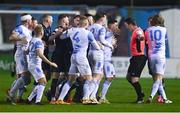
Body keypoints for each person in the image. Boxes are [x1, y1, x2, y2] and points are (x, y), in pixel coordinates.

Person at [55, 16, 101, 105]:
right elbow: (96, 47)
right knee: (89, 79)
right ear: (86, 24)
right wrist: (100, 45)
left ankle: (60, 99)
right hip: (81, 57)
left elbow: (62, 37)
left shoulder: (72, 30)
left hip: (73, 56)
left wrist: (66, 30)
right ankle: (86, 98)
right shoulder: (88, 33)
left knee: (71, 80)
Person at [145, 14, 172, 104]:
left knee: (157, 79)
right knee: (158, 78)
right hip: (160, 56)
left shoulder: (148, 30)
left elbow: (147, 42)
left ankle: (164, 98)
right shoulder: (164, 29)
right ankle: (151, 96)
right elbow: (165, 40)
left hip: (151, 56)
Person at [27, 24, 57, 104]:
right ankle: (37, 101)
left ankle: (29, 99)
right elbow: (40, 54)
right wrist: (50, 63)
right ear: (41, 32)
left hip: (32, 64)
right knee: (43, 82)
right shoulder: (38, 41)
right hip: (35, 65)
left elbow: (28, 51)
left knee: (41, 82)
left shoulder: (32, 40)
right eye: (43, 30)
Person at [7, 13, 33, 105]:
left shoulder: (27, 30)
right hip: (21, 55)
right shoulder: (20, 28)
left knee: (26, 79)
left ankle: (14, 95)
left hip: (25, 55)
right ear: (27, 21)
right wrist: (21, 38)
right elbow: (11, 37)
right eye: (30, 20)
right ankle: (10, 94)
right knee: (25, 78)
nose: (31, 21)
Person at [88, 13, 113, 103]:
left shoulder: (90, 27)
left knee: (99, 75)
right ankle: (88, 96)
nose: (106, 20)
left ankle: (93, 96)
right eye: (105, 18)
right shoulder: (101, 28)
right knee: (97, 75)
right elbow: (102, 40)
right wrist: (110, 45)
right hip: (98, 53)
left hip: (89, 52)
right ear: (102, 19)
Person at [48, 14, 71, 104]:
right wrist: (58, 34)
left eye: (67, 21)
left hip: (66, 57)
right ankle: (52, 98)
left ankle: (64, 97)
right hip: (57, 56)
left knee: (69, 78)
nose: (66, 22)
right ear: (60, 22)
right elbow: (50, 39)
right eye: (64, 21)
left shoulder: (70, 30)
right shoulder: (57, 29)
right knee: (55, 77)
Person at [124, 17, 147, 104]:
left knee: (134, 79)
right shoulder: (135, 31)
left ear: (131, 24)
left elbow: (140, 36)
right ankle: (141, 93)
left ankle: (140, 98)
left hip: (139, 58)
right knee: (128, 77)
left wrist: (140, 38)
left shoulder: (138, 31)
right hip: (135, 58)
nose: (127, 28)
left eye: (127, 26)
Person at [99, 19, 118, 104]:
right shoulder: (106, 32)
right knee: (108, 77)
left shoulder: (111, 33)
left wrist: (113, 45)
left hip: (108, 58)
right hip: (105, 58)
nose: (116, 27)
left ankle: (100, 96)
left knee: (111, 76)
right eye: (115, 25)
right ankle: (101, 97)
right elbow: (101, 40)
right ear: (110, 25)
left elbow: (111, 47)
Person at [41, 14, 53, 81]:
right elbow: (35, 38)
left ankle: (38, 87)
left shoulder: (48, 28)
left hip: (45, 53)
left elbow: (48, 40)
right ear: (47, 20)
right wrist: (41, 42)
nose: (52, 21)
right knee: (42, 75)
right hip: (40, 54)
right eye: (51, 20)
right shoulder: (40, 28)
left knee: (48, 74)